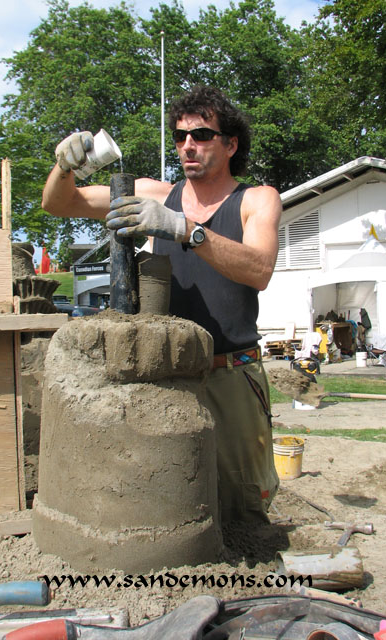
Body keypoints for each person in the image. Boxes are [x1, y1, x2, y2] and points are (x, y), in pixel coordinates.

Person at [42, 86, 282, 523]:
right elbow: (60, 203)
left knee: (243, 503)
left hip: (231, 374)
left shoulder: (255, 199)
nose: (188, 145)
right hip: (170, 375)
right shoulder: (157, 193)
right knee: (173, 499)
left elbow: (259, 270)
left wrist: (184, 228)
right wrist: (64, 166)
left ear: (230, 144)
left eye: (203, 135)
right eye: (180, 137)